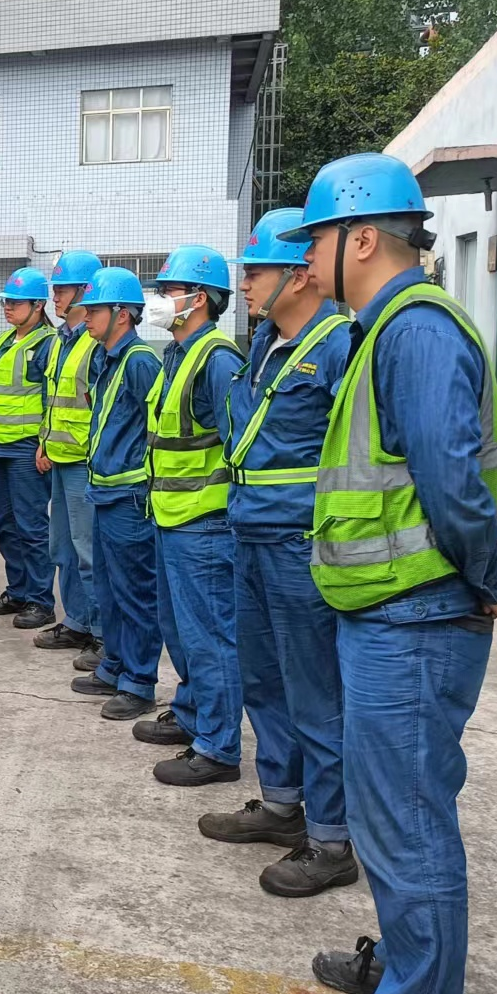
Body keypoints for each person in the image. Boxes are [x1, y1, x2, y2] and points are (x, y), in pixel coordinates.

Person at [285, 154, 497, 994]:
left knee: (409, 822)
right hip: (392, 614)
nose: (305, 259)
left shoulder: (416, 332)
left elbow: (449, 481)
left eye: (315, 239)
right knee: (391, 813)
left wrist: (491, 580)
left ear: (362, 237)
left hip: (419, 620)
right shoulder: (384, 329)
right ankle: (408, 966)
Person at [199, 209, 358, 899]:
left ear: (301, 273)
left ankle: (331, 839)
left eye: (257, 271)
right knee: (263, 681)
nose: (248, 283)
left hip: (303, 546)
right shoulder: (263, 345)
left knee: (316, 693)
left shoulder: (339, 347)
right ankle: (283, 804)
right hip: (250, 535)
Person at [142, 246, 246, 787]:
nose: (159, 301)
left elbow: (240, 444)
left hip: (204, 522)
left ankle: (219, 747)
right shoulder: (177, 354)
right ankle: (191, 714)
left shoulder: (217, 359)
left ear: (197, 298)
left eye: (167, 292)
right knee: (180, 632)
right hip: (172, 515)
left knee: (209, 637)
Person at [69, 267, 162, 721]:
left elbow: (156, 428)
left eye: (94, 310)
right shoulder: (106, 358)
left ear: (122, 315)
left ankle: (139, 681)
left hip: (129, 496)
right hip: (104, 491)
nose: (86, 318)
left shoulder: (140, 361)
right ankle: (115, 665)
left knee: (134, 592)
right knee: (109, 589)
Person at [0, 267, 59, 632]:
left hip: (27, 449)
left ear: (38, 306)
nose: (8, 307)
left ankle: (41, 600)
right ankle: (19, 589)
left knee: (32, 525)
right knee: (4, 523)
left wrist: (45, 442)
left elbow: (52, 398)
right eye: (5, 302)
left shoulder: (47, 345)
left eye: (15, 302)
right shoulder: (2, 343)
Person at [36, 249, 103, 660]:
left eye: (62, 290)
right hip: (58, 459)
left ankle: (99, 632)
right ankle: (76, 621)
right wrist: (44, 440)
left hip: (83, 463)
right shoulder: (62, 342)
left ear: (85, 292)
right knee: (62, 546)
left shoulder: (95, 345)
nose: (55, 297)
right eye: (55, 289)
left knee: (88, 550)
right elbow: (53, 400)